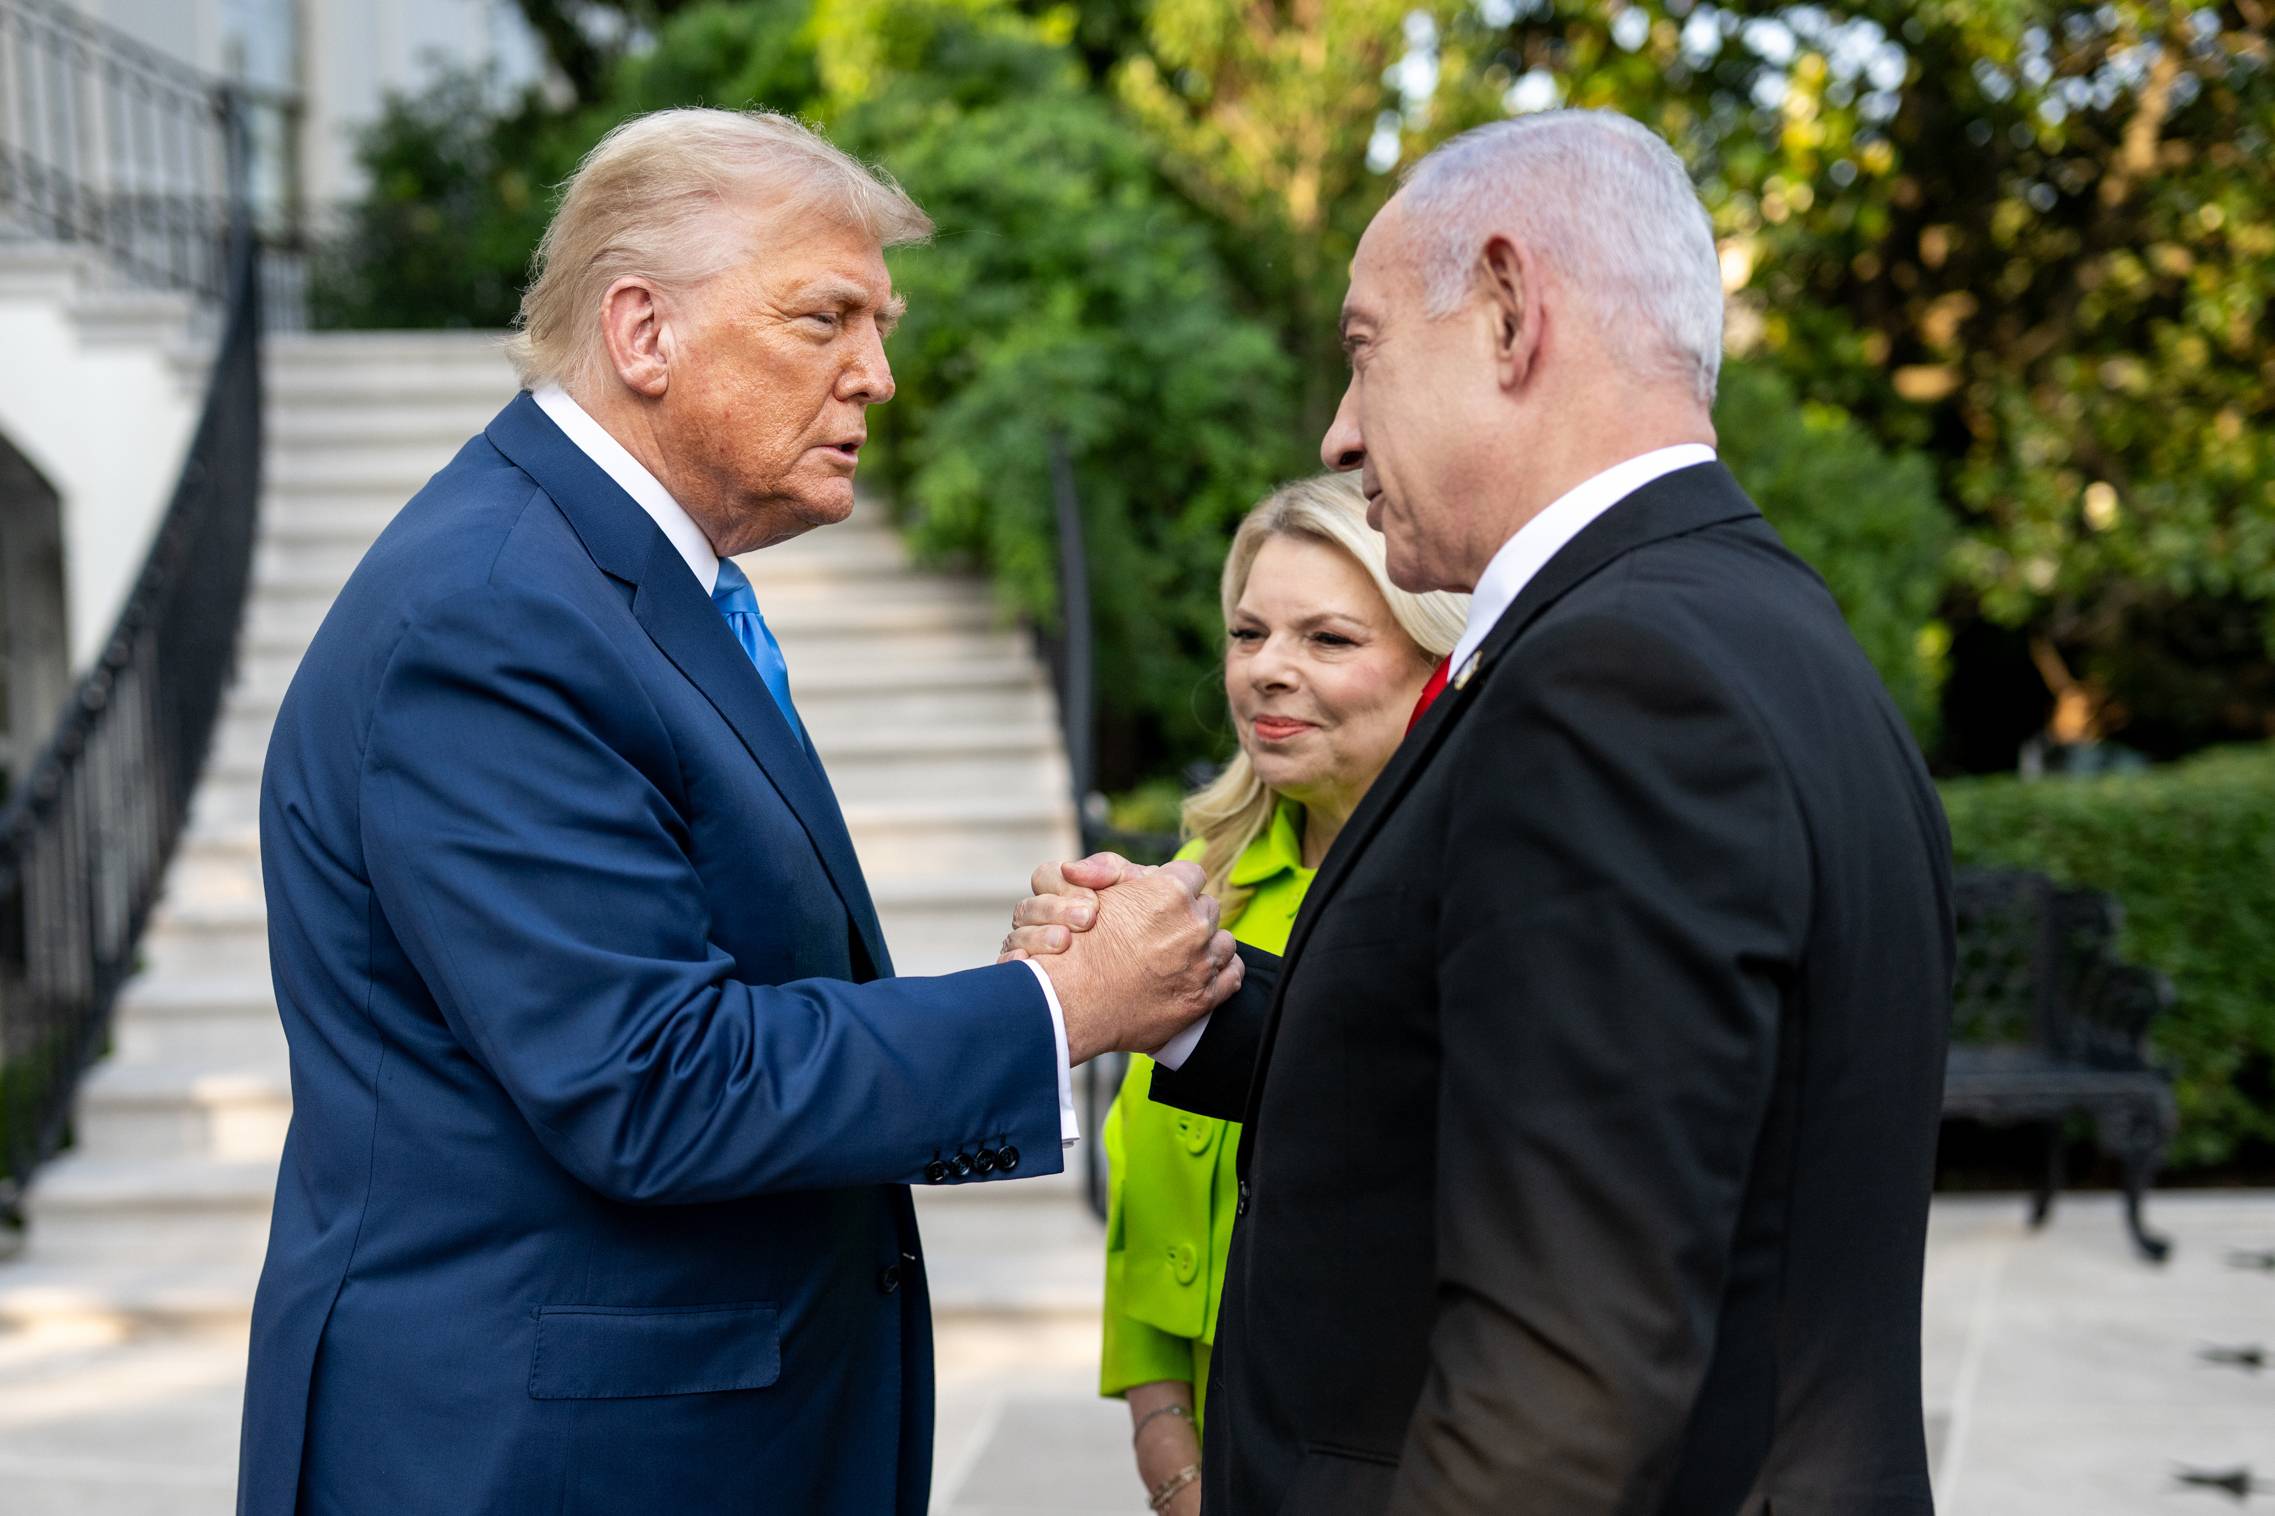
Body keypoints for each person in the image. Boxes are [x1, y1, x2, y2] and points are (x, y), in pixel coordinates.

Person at [238, 108, 1242, 1516]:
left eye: (877, 325)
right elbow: (652, 1084)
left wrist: (1033, 996)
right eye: (824, 318)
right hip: (539, 1466)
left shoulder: (611, 583)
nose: (876, 374)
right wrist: (1054, 1010)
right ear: (641, 331)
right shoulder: (493, 614)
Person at [1010, 109, 1955, 1514]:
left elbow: (1565, 1366)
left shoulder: (1614, 680)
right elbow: (1484, 1071)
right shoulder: (1753, 620)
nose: (1338, 430)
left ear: (1509, 314)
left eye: (1363, 349)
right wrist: (1199, 996)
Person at [1096, 475, 1465, 1515]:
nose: (1266, 668)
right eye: (1247, 633)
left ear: (1435, 662)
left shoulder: (1478, 898)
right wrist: (1165, 1443)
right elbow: (1139, 1198)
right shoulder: (1195, 888)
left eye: (1328, 638)